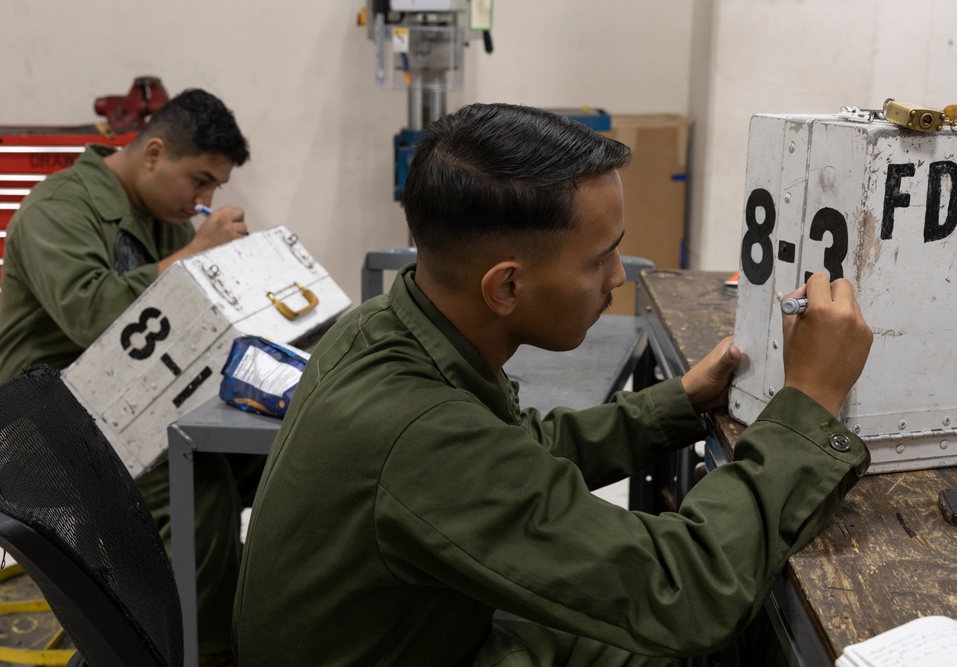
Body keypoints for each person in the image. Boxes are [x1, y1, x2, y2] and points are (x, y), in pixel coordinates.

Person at [232, 103, 873, 666]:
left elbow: (514, 452)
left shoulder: (383, 324)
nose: (618, 277)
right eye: (600, 258)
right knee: (709, 631)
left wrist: (676, 403)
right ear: (506, 286)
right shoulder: (419, 435)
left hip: (422, 640)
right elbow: (685, 589)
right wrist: (808, 405)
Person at [0, 88, 253, 666]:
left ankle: (232, 609)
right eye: (200, 180)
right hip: (43, 421)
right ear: (154, 153)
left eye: (214, 188)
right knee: (198, 486)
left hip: (121, 400)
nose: (204, 200)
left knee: (263, 457)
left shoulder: (160, 215)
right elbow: (90, 312)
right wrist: (192, 257)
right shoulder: (59, 208)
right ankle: (193, 651)